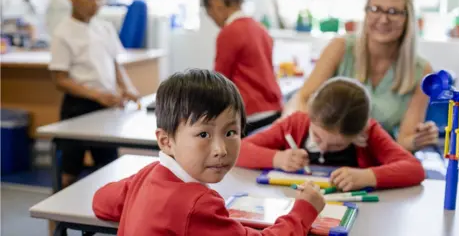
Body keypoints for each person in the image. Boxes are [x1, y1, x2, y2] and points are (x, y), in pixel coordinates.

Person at [92, 69, 326, 235]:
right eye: (203, 135)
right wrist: (304, 210)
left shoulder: (147, 176)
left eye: (231, 133)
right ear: (166, 141)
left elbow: (100, 201)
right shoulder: (198, 204)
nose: (221, 149)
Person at [283, 0, 438, 152]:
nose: (383, 19)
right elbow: (304, 99)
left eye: (393, 12)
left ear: (408, 19)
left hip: (376, 159)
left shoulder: (422, 72)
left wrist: (418, 140)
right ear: (365, 12)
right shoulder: (340, 48)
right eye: (375, 9)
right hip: (326, 152)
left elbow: (403, 142)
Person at [238, 77, 426, 191]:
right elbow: (238, 150)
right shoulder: (295, 124)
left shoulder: (370, 133)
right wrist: (277, 158)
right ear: (310, 115)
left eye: (337, 146)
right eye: (317, 137)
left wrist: (368, 176)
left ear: (359, 133)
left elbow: (414, 169)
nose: (323, 148)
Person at [49, 0, 139, 187]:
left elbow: (115, 63)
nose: (96, 3)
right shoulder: (63, 32)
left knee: (109, 167)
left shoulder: (105, 28)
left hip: (105, 107)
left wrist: (127, 87)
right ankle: (57, 219)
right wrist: (96, 95)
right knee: (68, 172)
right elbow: (60, 78)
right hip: (77, 108)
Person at [203, 0, 283, 135]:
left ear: (216, 2)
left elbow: (220, 83)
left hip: (250, 115)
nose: (214, 20)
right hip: (273, 112)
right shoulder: (260, 28)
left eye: (210, 13)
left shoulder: (229, 32)